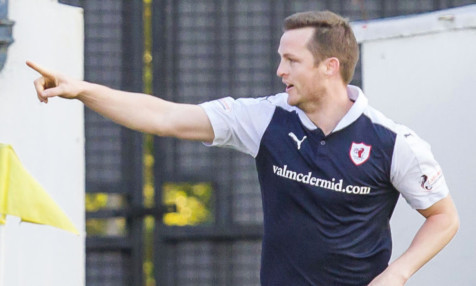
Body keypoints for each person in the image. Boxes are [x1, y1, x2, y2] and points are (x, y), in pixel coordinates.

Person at [28, 10, 459, 286]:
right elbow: (165, 117)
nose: (279, 70)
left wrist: (398, 274)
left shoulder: (393, 142)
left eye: (291, 61)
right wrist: (82, 90)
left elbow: (443, 218)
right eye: (280, 57)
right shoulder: (264, 118)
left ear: (330, 67)